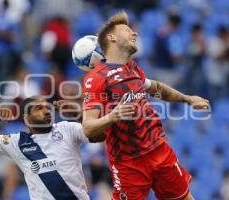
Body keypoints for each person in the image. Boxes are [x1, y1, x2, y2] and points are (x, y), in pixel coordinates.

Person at [82, 11, 210, 200]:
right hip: (128, 162)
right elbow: (88, 128)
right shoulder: (96, 78)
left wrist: (188, 99)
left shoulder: (132, 68)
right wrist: (112, 117)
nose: (134, 34)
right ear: (111, 38)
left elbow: (157, 88)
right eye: (127, 30)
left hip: (159, 149)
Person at [0, 96, 92, 200]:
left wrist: (77, 114)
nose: (46, 111)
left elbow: (98, 136)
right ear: (26, 118)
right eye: (39, 108)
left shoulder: (67, 128)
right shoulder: (17, 142)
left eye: (47, 108)